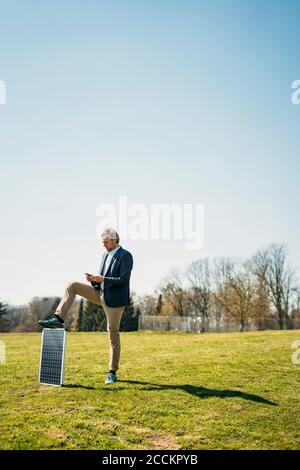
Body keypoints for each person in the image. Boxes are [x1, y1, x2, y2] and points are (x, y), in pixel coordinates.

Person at [38, 228, 134, 385]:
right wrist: (94, 280)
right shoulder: (105, 255)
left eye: (106, 242)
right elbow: (102, 280)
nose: (103, 245)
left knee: (113, 334)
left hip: (115, 300)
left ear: (115, 240)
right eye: (102, 242)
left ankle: (112, 372)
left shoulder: (126, 255)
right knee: (72, 285)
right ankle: (58, 318)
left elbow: (123, 280)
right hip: (99, 293)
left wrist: (102, 279)